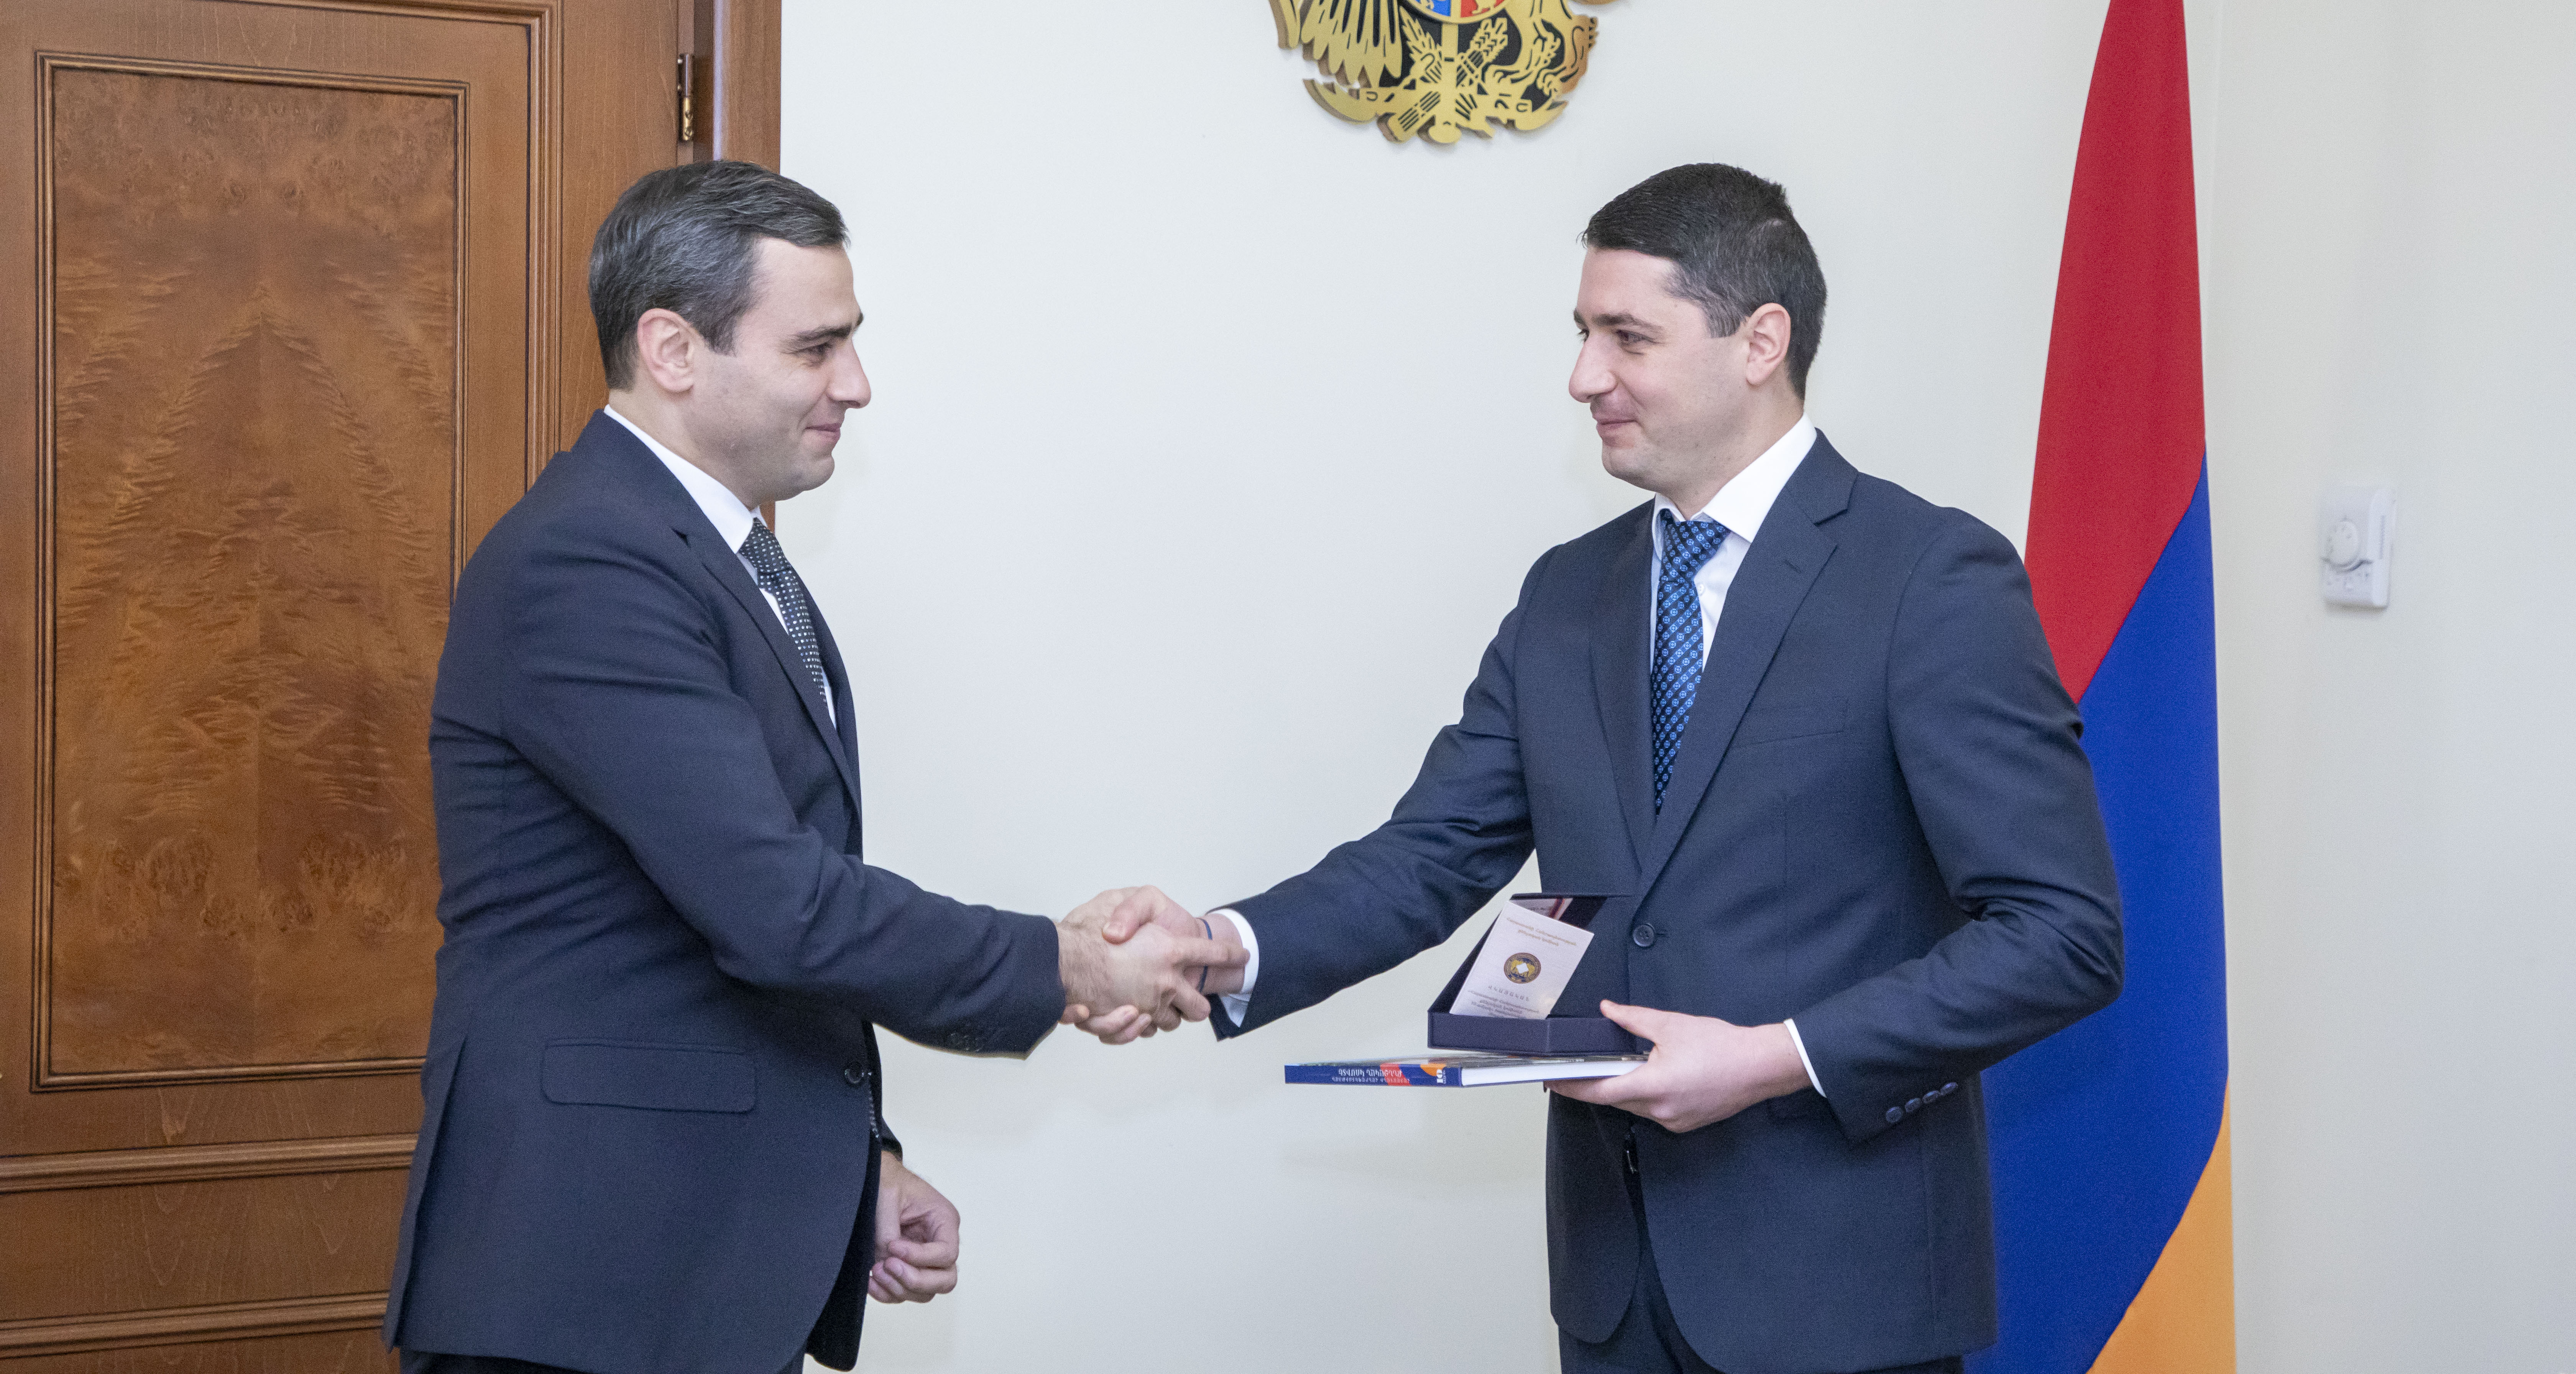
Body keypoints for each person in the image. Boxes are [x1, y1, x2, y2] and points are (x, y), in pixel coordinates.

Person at [1101, 164, 2123, 1374]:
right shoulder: (1568, 593)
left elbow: (2062, 935)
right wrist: (1222, 946)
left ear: (1761, 342)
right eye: (1584, 334)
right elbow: (1430, 854)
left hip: (1839, 1293)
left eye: (1627, 337)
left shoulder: (1929, 578)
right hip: (1614, 1292)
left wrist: (1774, 1057)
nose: (1584, 377)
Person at [384, 161, 1237, 1374]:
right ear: (673, 350)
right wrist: (1068, 961)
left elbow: (697, 931)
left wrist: (856, 1161)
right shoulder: (590, 562)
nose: (856, 384)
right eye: (814, 348)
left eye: (851, 342)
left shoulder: (713, 552)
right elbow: (776, 906)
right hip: (589, 1274)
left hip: (681, 1260)